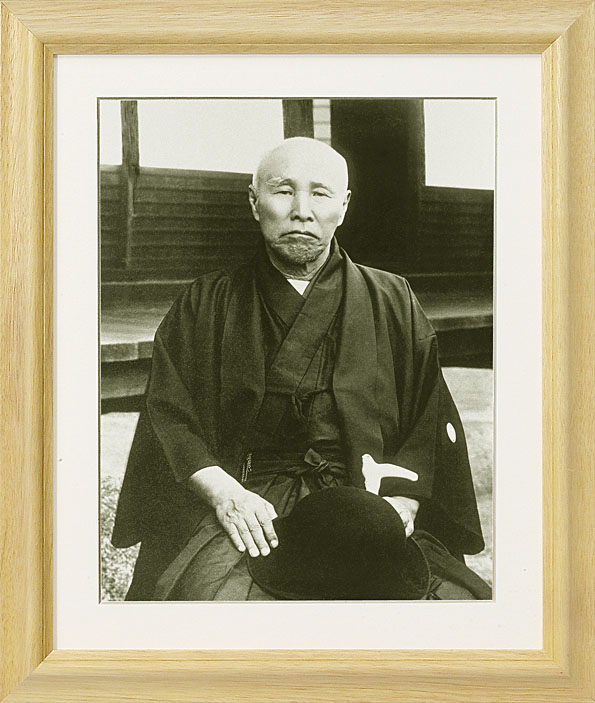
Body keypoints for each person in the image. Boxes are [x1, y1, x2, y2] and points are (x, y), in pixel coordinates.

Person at [112, 137, 487, 601]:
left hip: (365, 499)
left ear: (343, 207)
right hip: (250, 503)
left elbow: (427, 416)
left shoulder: (394, 300)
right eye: (284, 191)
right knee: (215, 603)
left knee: (449, 605)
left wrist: (403, 503)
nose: (302, 211)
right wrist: (224, 494)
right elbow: (169, 416)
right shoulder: (206, 302)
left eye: (320, 193)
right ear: (255, 202)